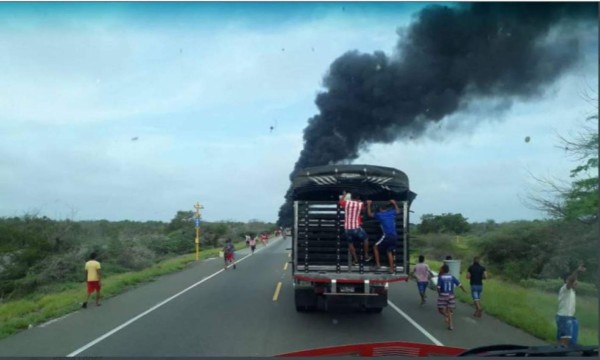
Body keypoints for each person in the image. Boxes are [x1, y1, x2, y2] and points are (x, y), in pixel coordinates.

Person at [366, 198, 399, 273]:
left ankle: (378, 264)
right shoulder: (391, 212)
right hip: (394, 236)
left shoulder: (379, 215)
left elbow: (369, 214)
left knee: (375, 246)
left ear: (380, 209)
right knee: (389, 251)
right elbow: (398, 211)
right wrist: (394, 203)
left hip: (387, 235)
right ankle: (391, 269)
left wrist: (368, 204)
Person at [556, 264, 585, 346]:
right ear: (567, 281)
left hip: (566, 317)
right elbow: (571, 280)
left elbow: (572, 281)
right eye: (575, 281)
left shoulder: (572, 291)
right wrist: (577, 271)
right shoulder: (565, 288)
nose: (576, 282)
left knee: (562, 340)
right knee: (565, 341)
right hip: (565, 317)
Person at [339, 191, 370, 265]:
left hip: (347, 228)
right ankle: (366, 255)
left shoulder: (346, 203)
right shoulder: (360, 204)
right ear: (358, 197)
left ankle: (355, 259)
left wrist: (344, 195)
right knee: (366, 239)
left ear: (351, 197)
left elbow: (340, 202)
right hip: (356, 227)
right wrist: (368, 203)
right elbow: (364, 208)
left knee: (350, 243)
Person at [437, 264, 466, 330]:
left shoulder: (441, 277)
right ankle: (451, 326)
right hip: (451, 295)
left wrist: (439, 294)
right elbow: (459, 284)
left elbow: (438, 287)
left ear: (442, 270)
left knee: (440, 309)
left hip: (443, 294)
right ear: (448, 270)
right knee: (449, 310)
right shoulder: (452, 277)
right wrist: (464, 290)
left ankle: (446, 315)